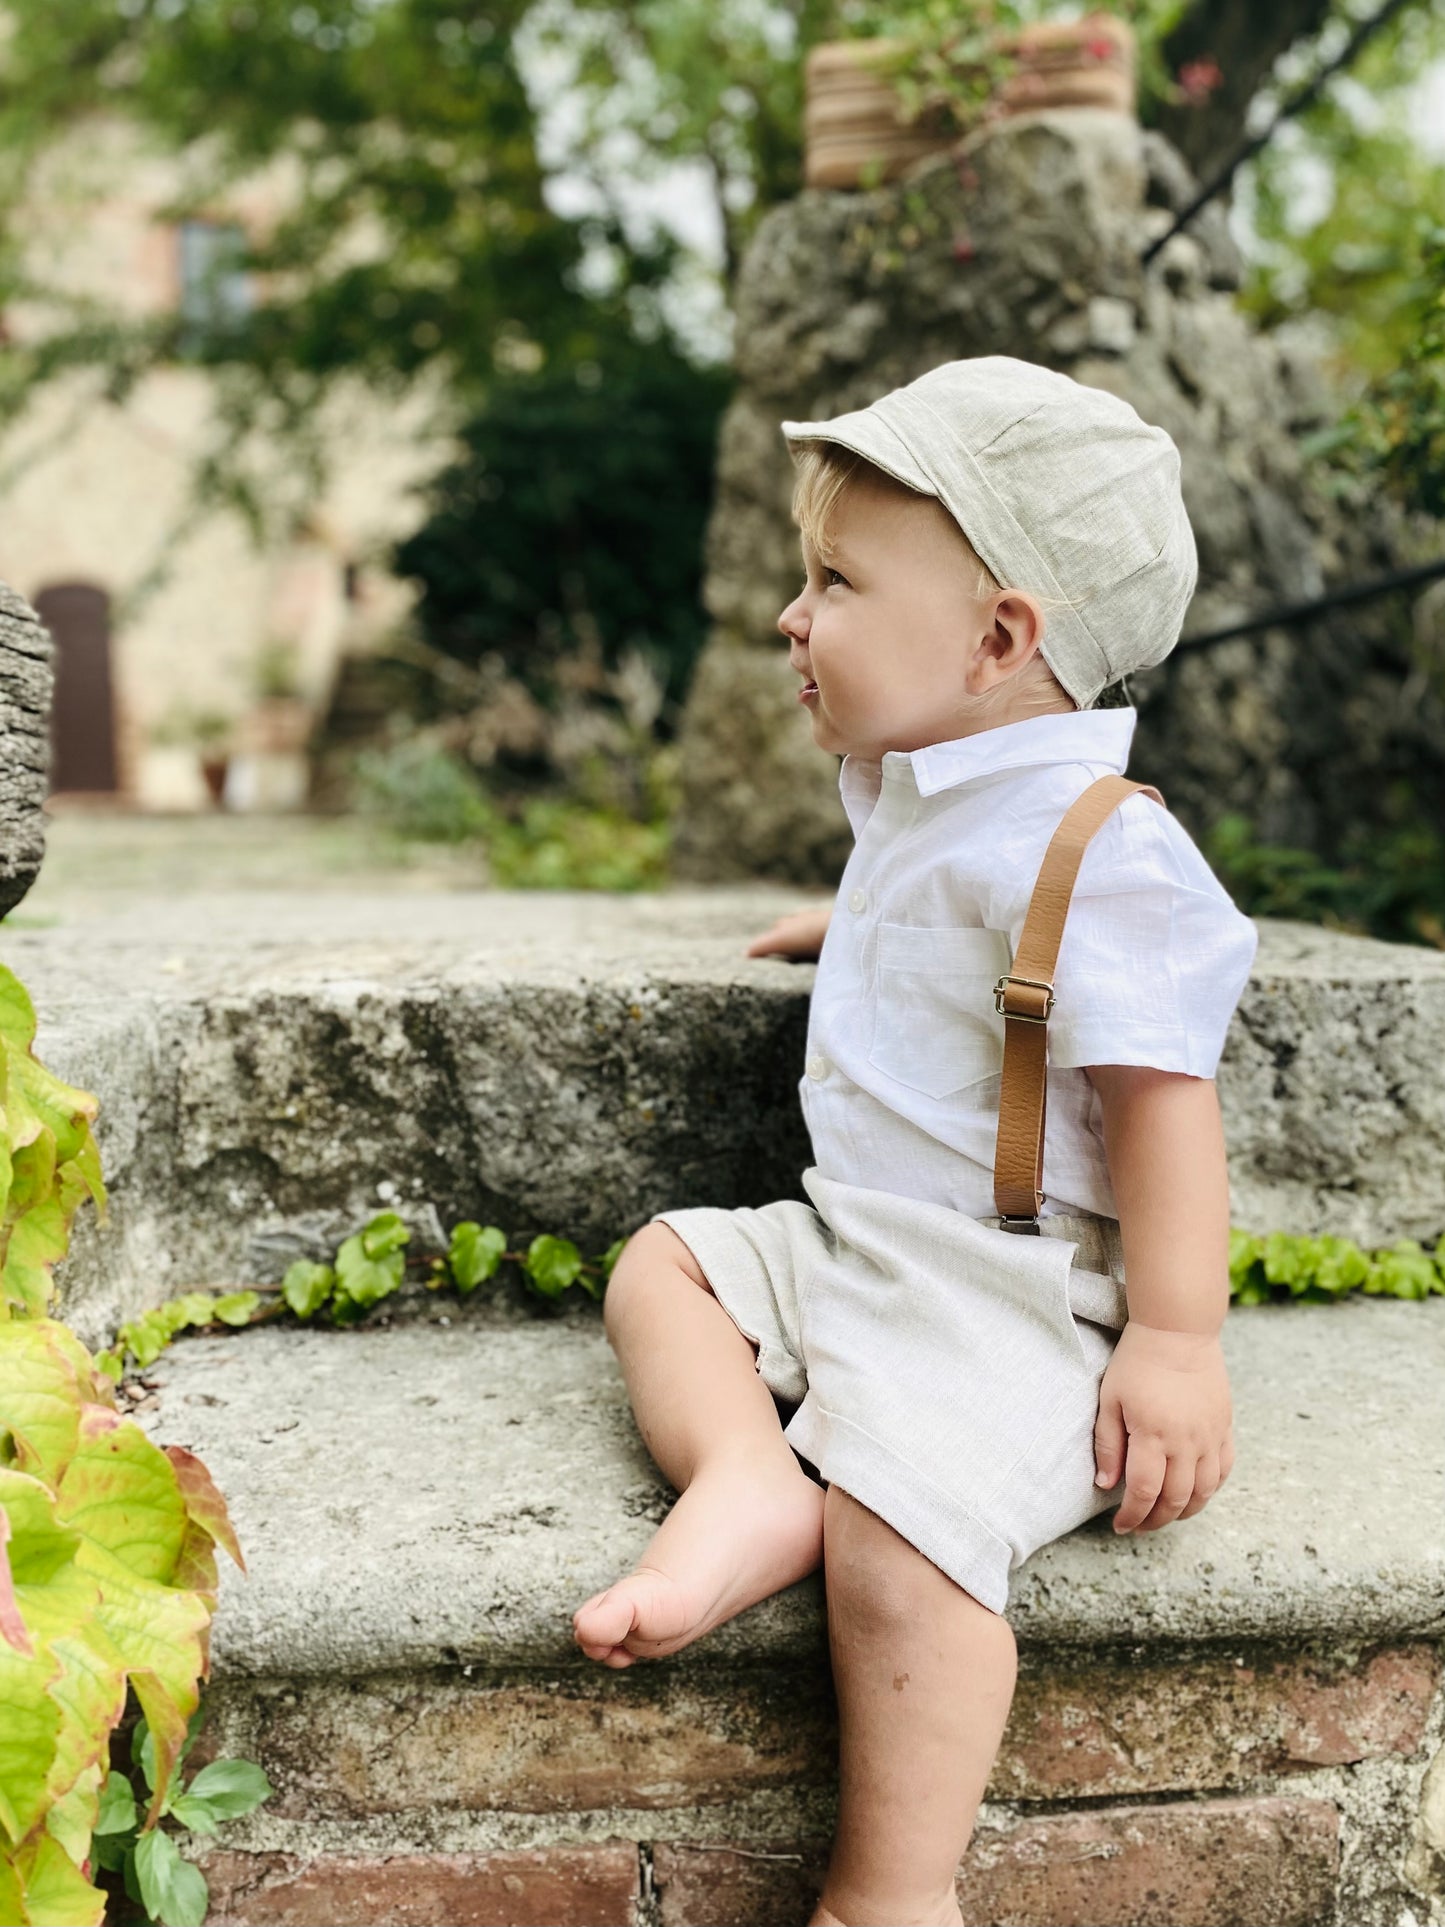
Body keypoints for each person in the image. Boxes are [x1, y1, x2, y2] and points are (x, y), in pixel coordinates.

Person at [571, 357, 1260, 1927]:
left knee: (903, 1535)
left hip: (1006, 1294)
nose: (787, 617)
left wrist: (1172, 1337)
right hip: (859, 1243)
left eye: (830, 581)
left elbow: (1165, 1107)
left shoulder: (1104, 856)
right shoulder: (925, 795)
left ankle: (889, 1889)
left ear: (1000, 639)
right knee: (664, 1266)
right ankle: (747, 1479)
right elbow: (953, 925)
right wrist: (862, 929)